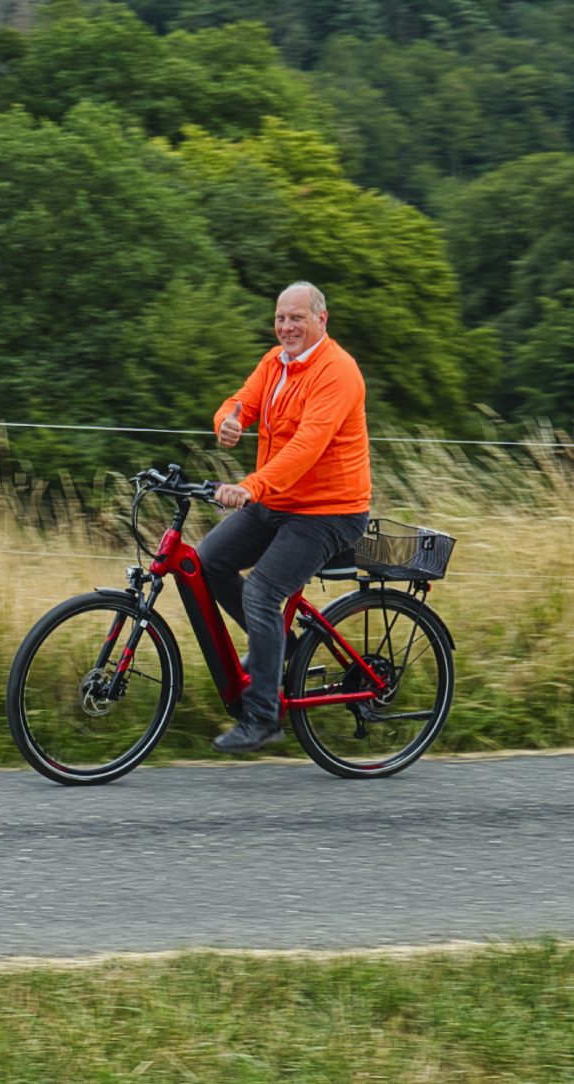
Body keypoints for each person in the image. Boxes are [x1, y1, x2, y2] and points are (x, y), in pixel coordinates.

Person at [198, 281, 371, 753]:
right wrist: (229, 420)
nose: (286, 326)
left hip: (329, 511)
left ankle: (264, 717)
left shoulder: (338, 372)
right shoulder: (275, 362)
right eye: (280, 318)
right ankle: (286, 650)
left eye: (297, 318)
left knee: (261, 591)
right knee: (208, 560)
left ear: (321, 319)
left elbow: (306, 448)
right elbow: (241, 402)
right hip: (279, 502)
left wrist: (250, 486)